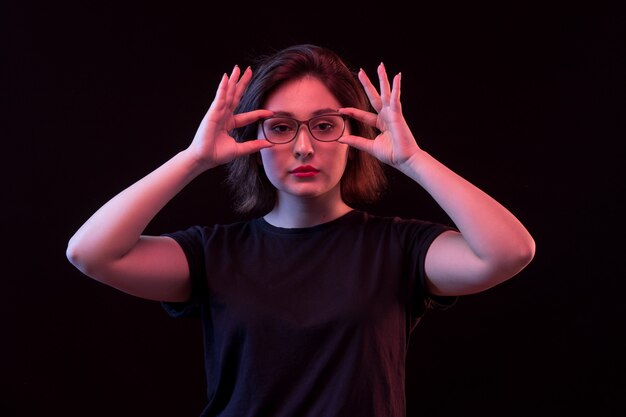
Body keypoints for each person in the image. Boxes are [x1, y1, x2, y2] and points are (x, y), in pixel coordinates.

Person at [66, 44, 535, 416]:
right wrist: (194, 159)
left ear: (355, 138)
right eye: (281, 127)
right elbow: (90, 253)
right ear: (253, 138)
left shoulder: (399, 248)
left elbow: (509, 251)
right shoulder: (214, 253)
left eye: (325, 126)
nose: (305, 147)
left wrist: (414, 160)